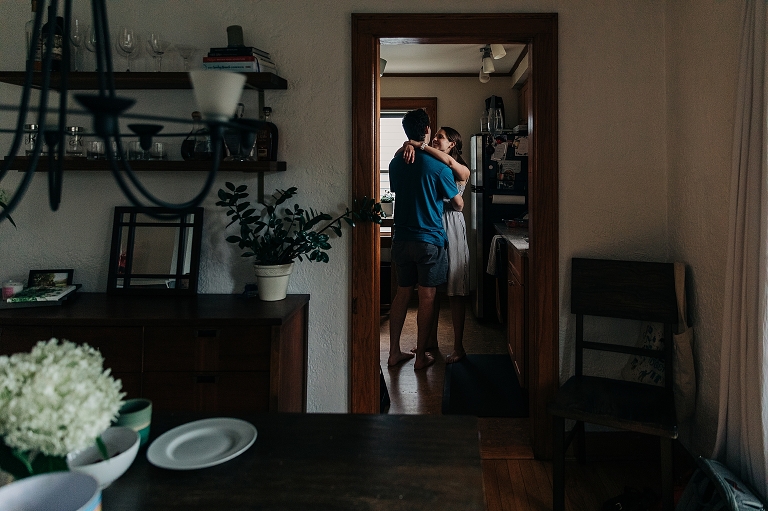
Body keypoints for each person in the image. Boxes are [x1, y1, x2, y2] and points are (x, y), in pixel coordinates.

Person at [387, 109, 463, 371]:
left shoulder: (395, 163)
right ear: (427, 130)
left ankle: (394, 352)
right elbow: (457, 203)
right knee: (427, 297)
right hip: (429, 239)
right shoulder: (439, 167)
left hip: (401, 238)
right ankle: (421, 356)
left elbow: (398, 189)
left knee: (402, 293)